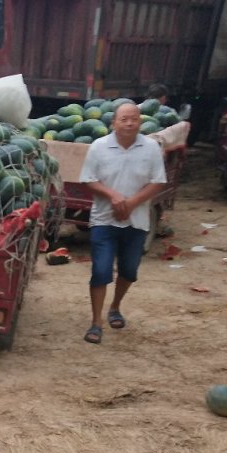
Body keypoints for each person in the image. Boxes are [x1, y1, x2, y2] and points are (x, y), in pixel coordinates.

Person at [79, 102, 167, 344]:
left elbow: (158, 182)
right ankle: (96, 323)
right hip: (103, 219)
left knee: (129, 270)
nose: (129, 123)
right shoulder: (99, 147)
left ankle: (115, 307)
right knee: (100, 271)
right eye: (124, 119)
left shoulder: (150, 148)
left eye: (134, 119)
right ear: (113, 123)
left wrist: (131, 203)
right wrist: (114, 196)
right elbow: (88, 180)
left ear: (141, 122)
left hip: (136, 220)